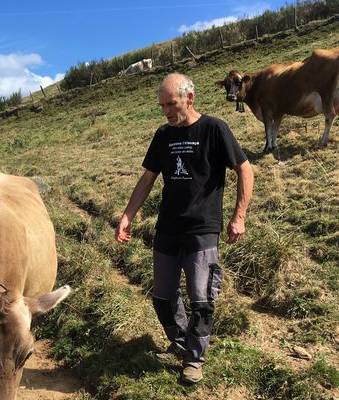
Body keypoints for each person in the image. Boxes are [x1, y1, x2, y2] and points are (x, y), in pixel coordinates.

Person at [115, 73, 254, 384]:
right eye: (162, 105)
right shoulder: (163, 135)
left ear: (189, 98)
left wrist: (239, 216)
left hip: (203, 228)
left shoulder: (214, 129)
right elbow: (147, 180)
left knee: (201, 299)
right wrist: (128, 216)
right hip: (167, 228)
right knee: (162, 298)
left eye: (171, 103)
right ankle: (179, 342)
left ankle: (194, 358)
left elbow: (245, 170)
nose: (166, 110)